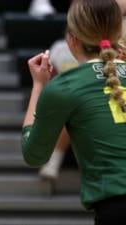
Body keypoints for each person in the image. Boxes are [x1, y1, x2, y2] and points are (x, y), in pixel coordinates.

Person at [21, 0, 126, 224]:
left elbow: (33, 154)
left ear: (72, 38)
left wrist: (39, 86)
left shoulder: (64, 86)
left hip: (116, 207)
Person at [38, 38, 78, 180]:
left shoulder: (93, 48)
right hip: (62, 97)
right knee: (67, 114)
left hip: (84, 100)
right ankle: (52, 162)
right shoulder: (59, 47)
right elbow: (50, 76)